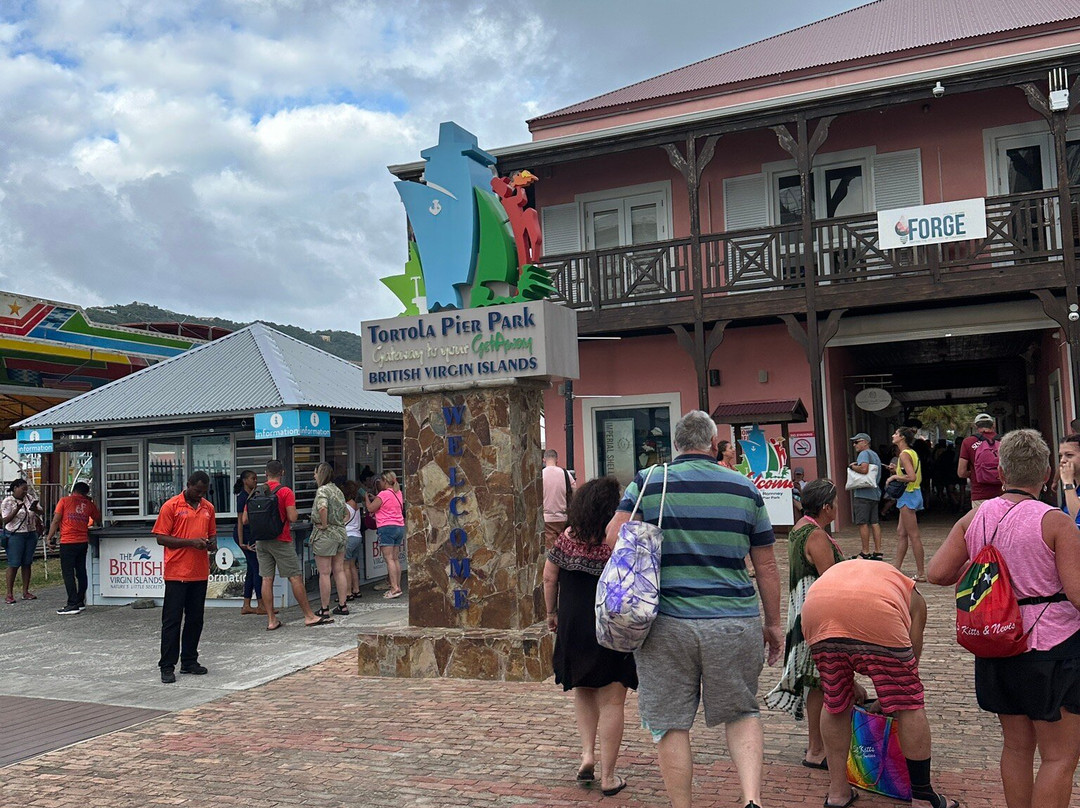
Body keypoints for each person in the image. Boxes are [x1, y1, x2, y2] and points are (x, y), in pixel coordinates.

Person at [605, 410, 782, 808]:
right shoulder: (744, 488)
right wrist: (773, 624)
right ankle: (752, 799)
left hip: (666, 624)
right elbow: (767, 565)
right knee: (741, 711)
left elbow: (614, 535)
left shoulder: (649, 480)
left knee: (669, 723)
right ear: (714, 444)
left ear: (676, 444)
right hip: (734, 621)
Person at [929, 429, 1080, 808]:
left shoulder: (976, 516)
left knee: (1015, 747)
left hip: (996, 642)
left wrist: (983, 554)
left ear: (1001, 472)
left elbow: (937, 574)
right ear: (1046, 474)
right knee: (1059, 756)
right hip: (1051, 647)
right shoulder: (1056, 522)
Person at [802, 558, 956, 808]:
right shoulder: (913, 595)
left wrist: (852, 686)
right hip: (876, 611)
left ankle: (838, 793)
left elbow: (838, 664)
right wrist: (890, 701)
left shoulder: (853, 572)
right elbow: (910, 666)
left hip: (816, 608)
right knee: (910, 703)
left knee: (834, 701)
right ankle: (923, 796)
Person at [543, 476, 637, 796]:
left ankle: (586, 755)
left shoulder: (568, 536)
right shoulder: (618, 540)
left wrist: (551, 613)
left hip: (573, 623)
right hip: (610, 624)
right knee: (613, 698)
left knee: (583, 689)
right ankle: (609, 776)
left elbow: (548, 576)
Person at [765, 479, 844, 770]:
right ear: (826, 506)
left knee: (816, 679)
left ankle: (818, 746)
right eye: (835, 502)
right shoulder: (816, 536)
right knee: (818, 681)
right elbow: (831, 577)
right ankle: (816, 749)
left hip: (802, 607)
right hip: (817, 610)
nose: (837, 507)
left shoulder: (800, 528)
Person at [243, 460, 329, 629]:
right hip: (281, 540)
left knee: (267, 579)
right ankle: (309, 616)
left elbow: (245, 520)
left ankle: (271, 620)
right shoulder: (285, 492)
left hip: (261, 541)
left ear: (265, 473)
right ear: (282, 472)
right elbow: (292, 517)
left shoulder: (255, 492)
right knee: (294, 577)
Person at [153, 471, 217, 684]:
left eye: (203, 492)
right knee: (172, 621)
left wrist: (211, 544)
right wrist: (190, 543)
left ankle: (189, 660)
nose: (200, 495)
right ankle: (167, 665)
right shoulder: (171, 506)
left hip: (199, 572)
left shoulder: (208, 508)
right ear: (188, 485)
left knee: (195, 619)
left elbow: (212, 533)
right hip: (177, 572)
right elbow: (161, 538)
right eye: (197, 490)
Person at [45, 482, 101, 615]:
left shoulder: (64, 501)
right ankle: (80, 600)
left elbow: (56, 520)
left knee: (68, 573)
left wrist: (49, 537)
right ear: (86, 493)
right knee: (81, 571)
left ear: (73, 490)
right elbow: (98, 518)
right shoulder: (88, 504)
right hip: (82, 541)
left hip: (68, 541)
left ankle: (72, 603)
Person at [310, 462, 350, 617]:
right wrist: (339, 524)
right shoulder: (337, 490)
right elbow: (347, 513)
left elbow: (322, 508)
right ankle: (342, 605)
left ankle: (325, 608)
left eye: (315, 473)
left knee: (325, 573)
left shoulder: (322, 490)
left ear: (320, 474)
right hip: (340, 533)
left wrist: (325, 524)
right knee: (339, 569)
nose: (314, 476)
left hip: (326, 535)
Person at [887, 426, 926, 581]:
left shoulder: (903, 454)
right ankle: (896, 568)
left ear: (902, 437)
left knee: (913, 535)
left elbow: (911, 477)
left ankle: (921, 573)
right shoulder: (911, 453)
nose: (893, 435)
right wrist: (895, 472)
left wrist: (894, 478)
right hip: (912, 493)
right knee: (901, 532)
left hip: (908, 494)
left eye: (896, 433)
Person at [3, 478, 44, 604]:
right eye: (23, 489)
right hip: (15, 535)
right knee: (14, 563)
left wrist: (35, 509)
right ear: (15, 488)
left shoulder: (30, 498)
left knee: (27, 562)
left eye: (26, 489)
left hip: (30, 533)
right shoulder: (8, 501)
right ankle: (9, 593)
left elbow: (41, 510)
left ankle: (25, 591)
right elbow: (5, 520)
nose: (25, 492)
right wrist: (16, 509)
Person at [366, 471, 405, 599]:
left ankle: (393, 588)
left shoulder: (383, 494)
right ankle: (397, 586)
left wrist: (366, 498)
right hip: (399, 526)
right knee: (395, 558)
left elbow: (371, 508)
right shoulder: (398, 493)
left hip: (386, 527)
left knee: (389, 559)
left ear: (385, 481)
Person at [233, 470, 263, 616]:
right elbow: (240, 521)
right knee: (257, 568)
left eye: (256, 478)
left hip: (250, 535)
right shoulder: (242, 498)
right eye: (253, 478)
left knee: (252, 570)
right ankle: (261, 604)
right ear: (245, 480)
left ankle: (246, 604)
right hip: (243, 536)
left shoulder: (253, 495)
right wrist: (241, 542)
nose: (255, 481)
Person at [848, 433, 883, 559]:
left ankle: (865, 551)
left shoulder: (864, 454)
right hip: (874, 493)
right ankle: (878, 551)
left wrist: (852, 467)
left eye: (857, 442)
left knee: (863, 523)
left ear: (865, 442)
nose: (854, 445)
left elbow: (864, 469)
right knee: (875, 522)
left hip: (863, 493)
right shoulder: (875, 455)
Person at [958, 412, 1000, 511]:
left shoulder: (968, 442)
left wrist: (975, 473)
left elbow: (961, 472)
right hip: (1002, 493)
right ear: (993, 425)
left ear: (976, 426)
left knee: (982, 525)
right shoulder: (1005, 440)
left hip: (979, 493)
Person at [542, 449, 575, 548]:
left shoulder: (541, 474)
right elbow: (574, 491)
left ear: (544, 460)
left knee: (551, 551)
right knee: (564, 548)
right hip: (563, 517)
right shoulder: (565, 474)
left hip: (547, 519)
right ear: (557, 460)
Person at [342, 481, 364, 601]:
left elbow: (342, 521)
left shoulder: (345, 507)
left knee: (345, 567)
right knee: (352, 566)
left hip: (348, 537)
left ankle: (348, 592)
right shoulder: (356, 505)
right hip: (357, 536)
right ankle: (356, 589)